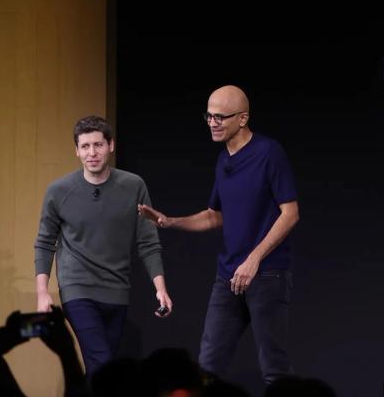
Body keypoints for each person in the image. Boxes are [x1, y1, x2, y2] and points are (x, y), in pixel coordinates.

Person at [138, 85, 300, 384]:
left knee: (274, 368)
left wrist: (254, 259)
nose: (212, 123)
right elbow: (214, 216)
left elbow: (290, 213)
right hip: (228, 276)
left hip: (266, 275)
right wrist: (169, 221)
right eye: (209, 116)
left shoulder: (268, 153)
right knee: (208, 366)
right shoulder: (224, 159)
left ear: (242, 118)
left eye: (220, 117)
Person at [34, 115, 173, 380]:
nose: (92, 153)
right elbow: (44, 242)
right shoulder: (59, 191)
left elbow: (147, 241)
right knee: (101, 362)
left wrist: (160, 288)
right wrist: (42, 292)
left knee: (103, 370)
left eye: (98, 145)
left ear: (110, 146)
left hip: (117, 290)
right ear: (76, 150)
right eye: (85, 146)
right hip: (77, 289)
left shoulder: (133, 186)